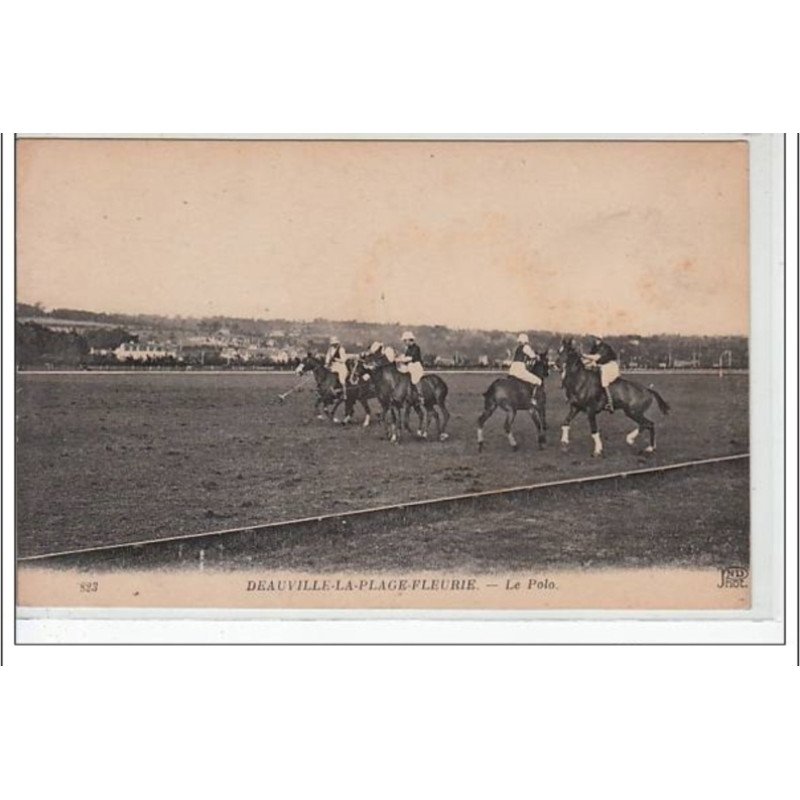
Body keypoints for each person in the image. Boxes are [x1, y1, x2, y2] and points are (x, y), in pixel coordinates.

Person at [582, 335, 620, 412]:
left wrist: (584, 355)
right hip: (602, 364)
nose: (594, 340)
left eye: (596, 338)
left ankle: (610, 402)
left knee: (604, 381)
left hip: (610, 365)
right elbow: (591, 359)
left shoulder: (604, 347)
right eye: (594, 338)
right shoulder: (595, 347)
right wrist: (583, 361)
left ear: (600, 339)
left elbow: (596, 357)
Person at [507, 333, 542, 407]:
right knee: (538, 381)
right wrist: (537, 357)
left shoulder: (518, 347)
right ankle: (532, 399)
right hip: (520, 369)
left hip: (512, 369)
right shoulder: (526, 347)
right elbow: (532, 356)